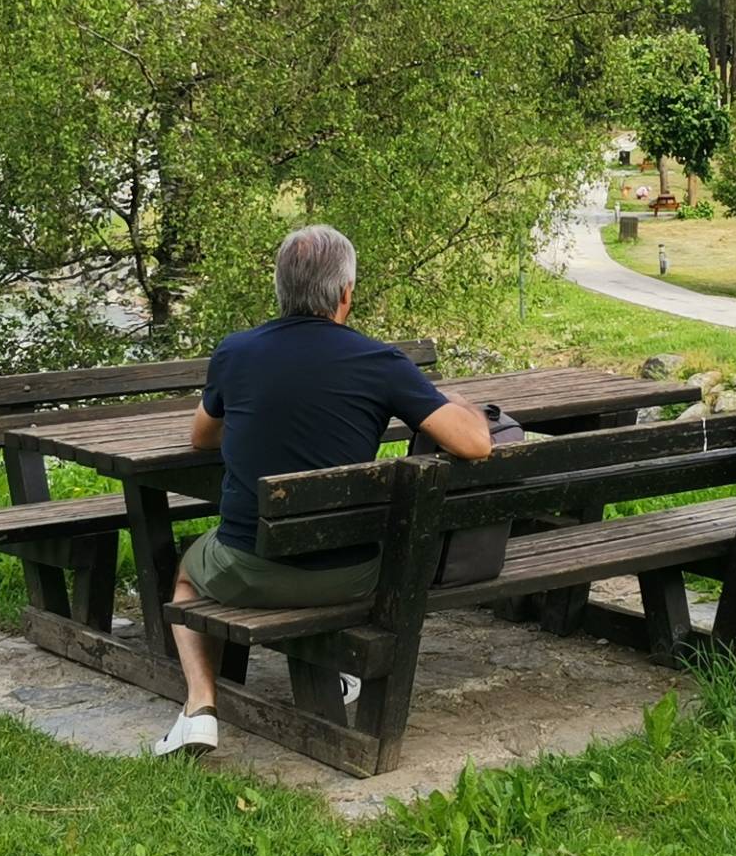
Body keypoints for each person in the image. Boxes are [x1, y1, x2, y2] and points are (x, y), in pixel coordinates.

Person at [153, 224, 492, 757]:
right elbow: (475, 443)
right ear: (345, 293)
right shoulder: (380, 362)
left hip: (246, 572)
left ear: (280, 289)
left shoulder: (236, 352)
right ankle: (335, 673)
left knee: (186, 574)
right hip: (353, 576)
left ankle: (199, 708)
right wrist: (455, 402)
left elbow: (201, 437)